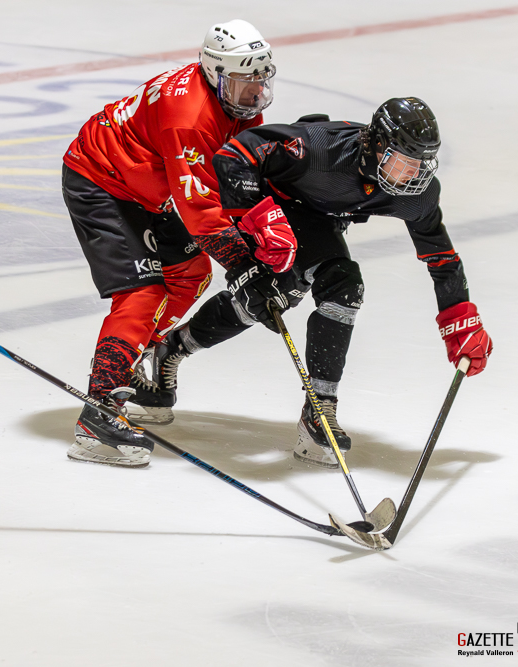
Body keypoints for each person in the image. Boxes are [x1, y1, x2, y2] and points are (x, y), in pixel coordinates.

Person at [128, 98, 493, 467]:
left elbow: (441, 258)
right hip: (268, 203)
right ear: (376, 145)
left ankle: (316, 409)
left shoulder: (417, 195)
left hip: (316, 218)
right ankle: (171, 352)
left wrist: (458, 316)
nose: (414, 175)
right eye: (404, 162)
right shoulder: (320, 148)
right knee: (268, 294)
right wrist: (257, 218)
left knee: (328, 289)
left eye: (422, 164)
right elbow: (233, 156)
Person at [61, 19, 297, 468]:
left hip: (153, 185)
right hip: (103, 181)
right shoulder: (188, 117)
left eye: (261, 78)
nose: (255, 91)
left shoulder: (237, 102)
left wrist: (262, 229)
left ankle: (127, 358)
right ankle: (98, 415)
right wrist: (247, 265)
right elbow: (203, 216)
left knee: (190, 274)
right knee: (143, 293)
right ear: (214, 73)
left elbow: (235, 174)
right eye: (244, 80)